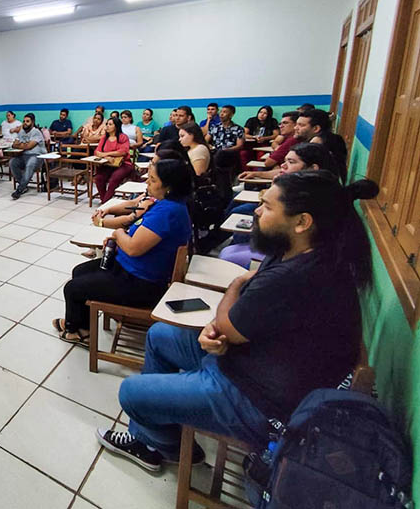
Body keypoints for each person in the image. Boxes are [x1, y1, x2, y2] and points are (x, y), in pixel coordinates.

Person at [97, 172, 376, 473]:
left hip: (258, 399)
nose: (257, 211)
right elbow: (238, 323)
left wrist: (235, 286)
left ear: (302, 222)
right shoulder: (295, 252)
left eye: (268, 206)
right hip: (249, 358)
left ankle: (161, 444)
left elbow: (231, 321)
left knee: (130, 392)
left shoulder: (299, 276)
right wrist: (219, 328)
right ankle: (154, 440)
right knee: (160, 335)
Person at [53, 159, 192, 343]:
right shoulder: (164, 203)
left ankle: (77, 331)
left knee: (72, 288)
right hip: (132, 267)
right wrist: (120, 239)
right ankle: (80, 324)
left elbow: (133, 248)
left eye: (152, 180)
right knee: (80, 271)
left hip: (142, 282)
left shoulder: (168, 212)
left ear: (169, 187)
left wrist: (118, 234)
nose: (147, 182)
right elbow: (141, 236)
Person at [222, 142, 339, 267]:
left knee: (231, 249)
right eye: (285, 161)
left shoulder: (309, 197)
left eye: (291, 162)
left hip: (289, 254)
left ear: (313, 168)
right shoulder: (306, 187)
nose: (283, 165)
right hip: (283, 250)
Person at [295, 109, 347, 182]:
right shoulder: (334, 138)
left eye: (301, 125)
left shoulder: (317, 142)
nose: (295, 128)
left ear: (316, 128)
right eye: (296, 124)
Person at [93, 117, 134, 203]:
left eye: (110, 124)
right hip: (107, 163)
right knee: (99, 178)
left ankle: (104, 203)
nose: (107, 126)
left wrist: (105, 154)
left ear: (116, 126)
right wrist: (106, 157)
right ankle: (105, 201)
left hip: (123, 164)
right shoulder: (104, 138)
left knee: (114, 179)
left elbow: (123, 152)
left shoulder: (123, 137)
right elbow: (97, 151)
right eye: (107, 124)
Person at [9, 113, 46, 200]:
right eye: (24, 121)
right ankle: (24, 185)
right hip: (24, 155)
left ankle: (20, 189)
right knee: (12, 162)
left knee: (30, 164)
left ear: (32, 122)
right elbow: (14, 145)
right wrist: (22, 145)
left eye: (27, 121)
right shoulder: (21, 132)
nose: (25, 123)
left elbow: (29, 146)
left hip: (37, 156)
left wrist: (21, 145)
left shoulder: (36, 132)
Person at [207, 104, 245, 171]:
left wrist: (225, 150)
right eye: (221, 112)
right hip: (215, 151)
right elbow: (205, 140)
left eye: (224, 112)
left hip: (229, 154)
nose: (221, 114)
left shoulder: (238, 129)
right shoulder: (214, 127)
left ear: (231, 115)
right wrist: (208, 145)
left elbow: (239, 145)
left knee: (220, 153)